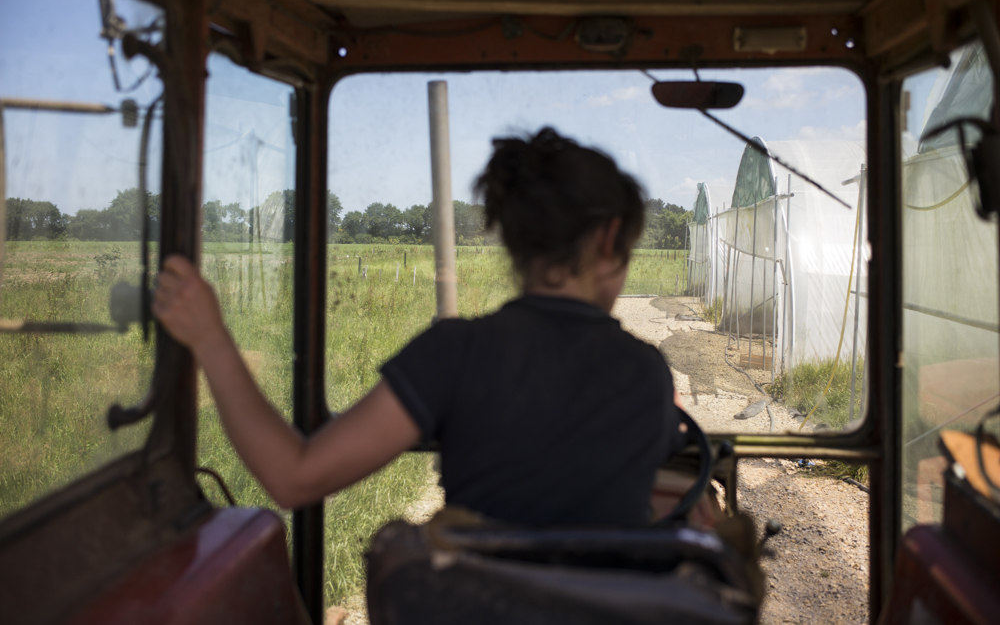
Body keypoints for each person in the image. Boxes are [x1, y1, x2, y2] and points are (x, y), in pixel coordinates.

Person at [153, 127, 685, 527]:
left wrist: (212, 340)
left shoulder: (454, 354)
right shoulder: (648, 373)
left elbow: (293, 478)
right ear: (609, 239)